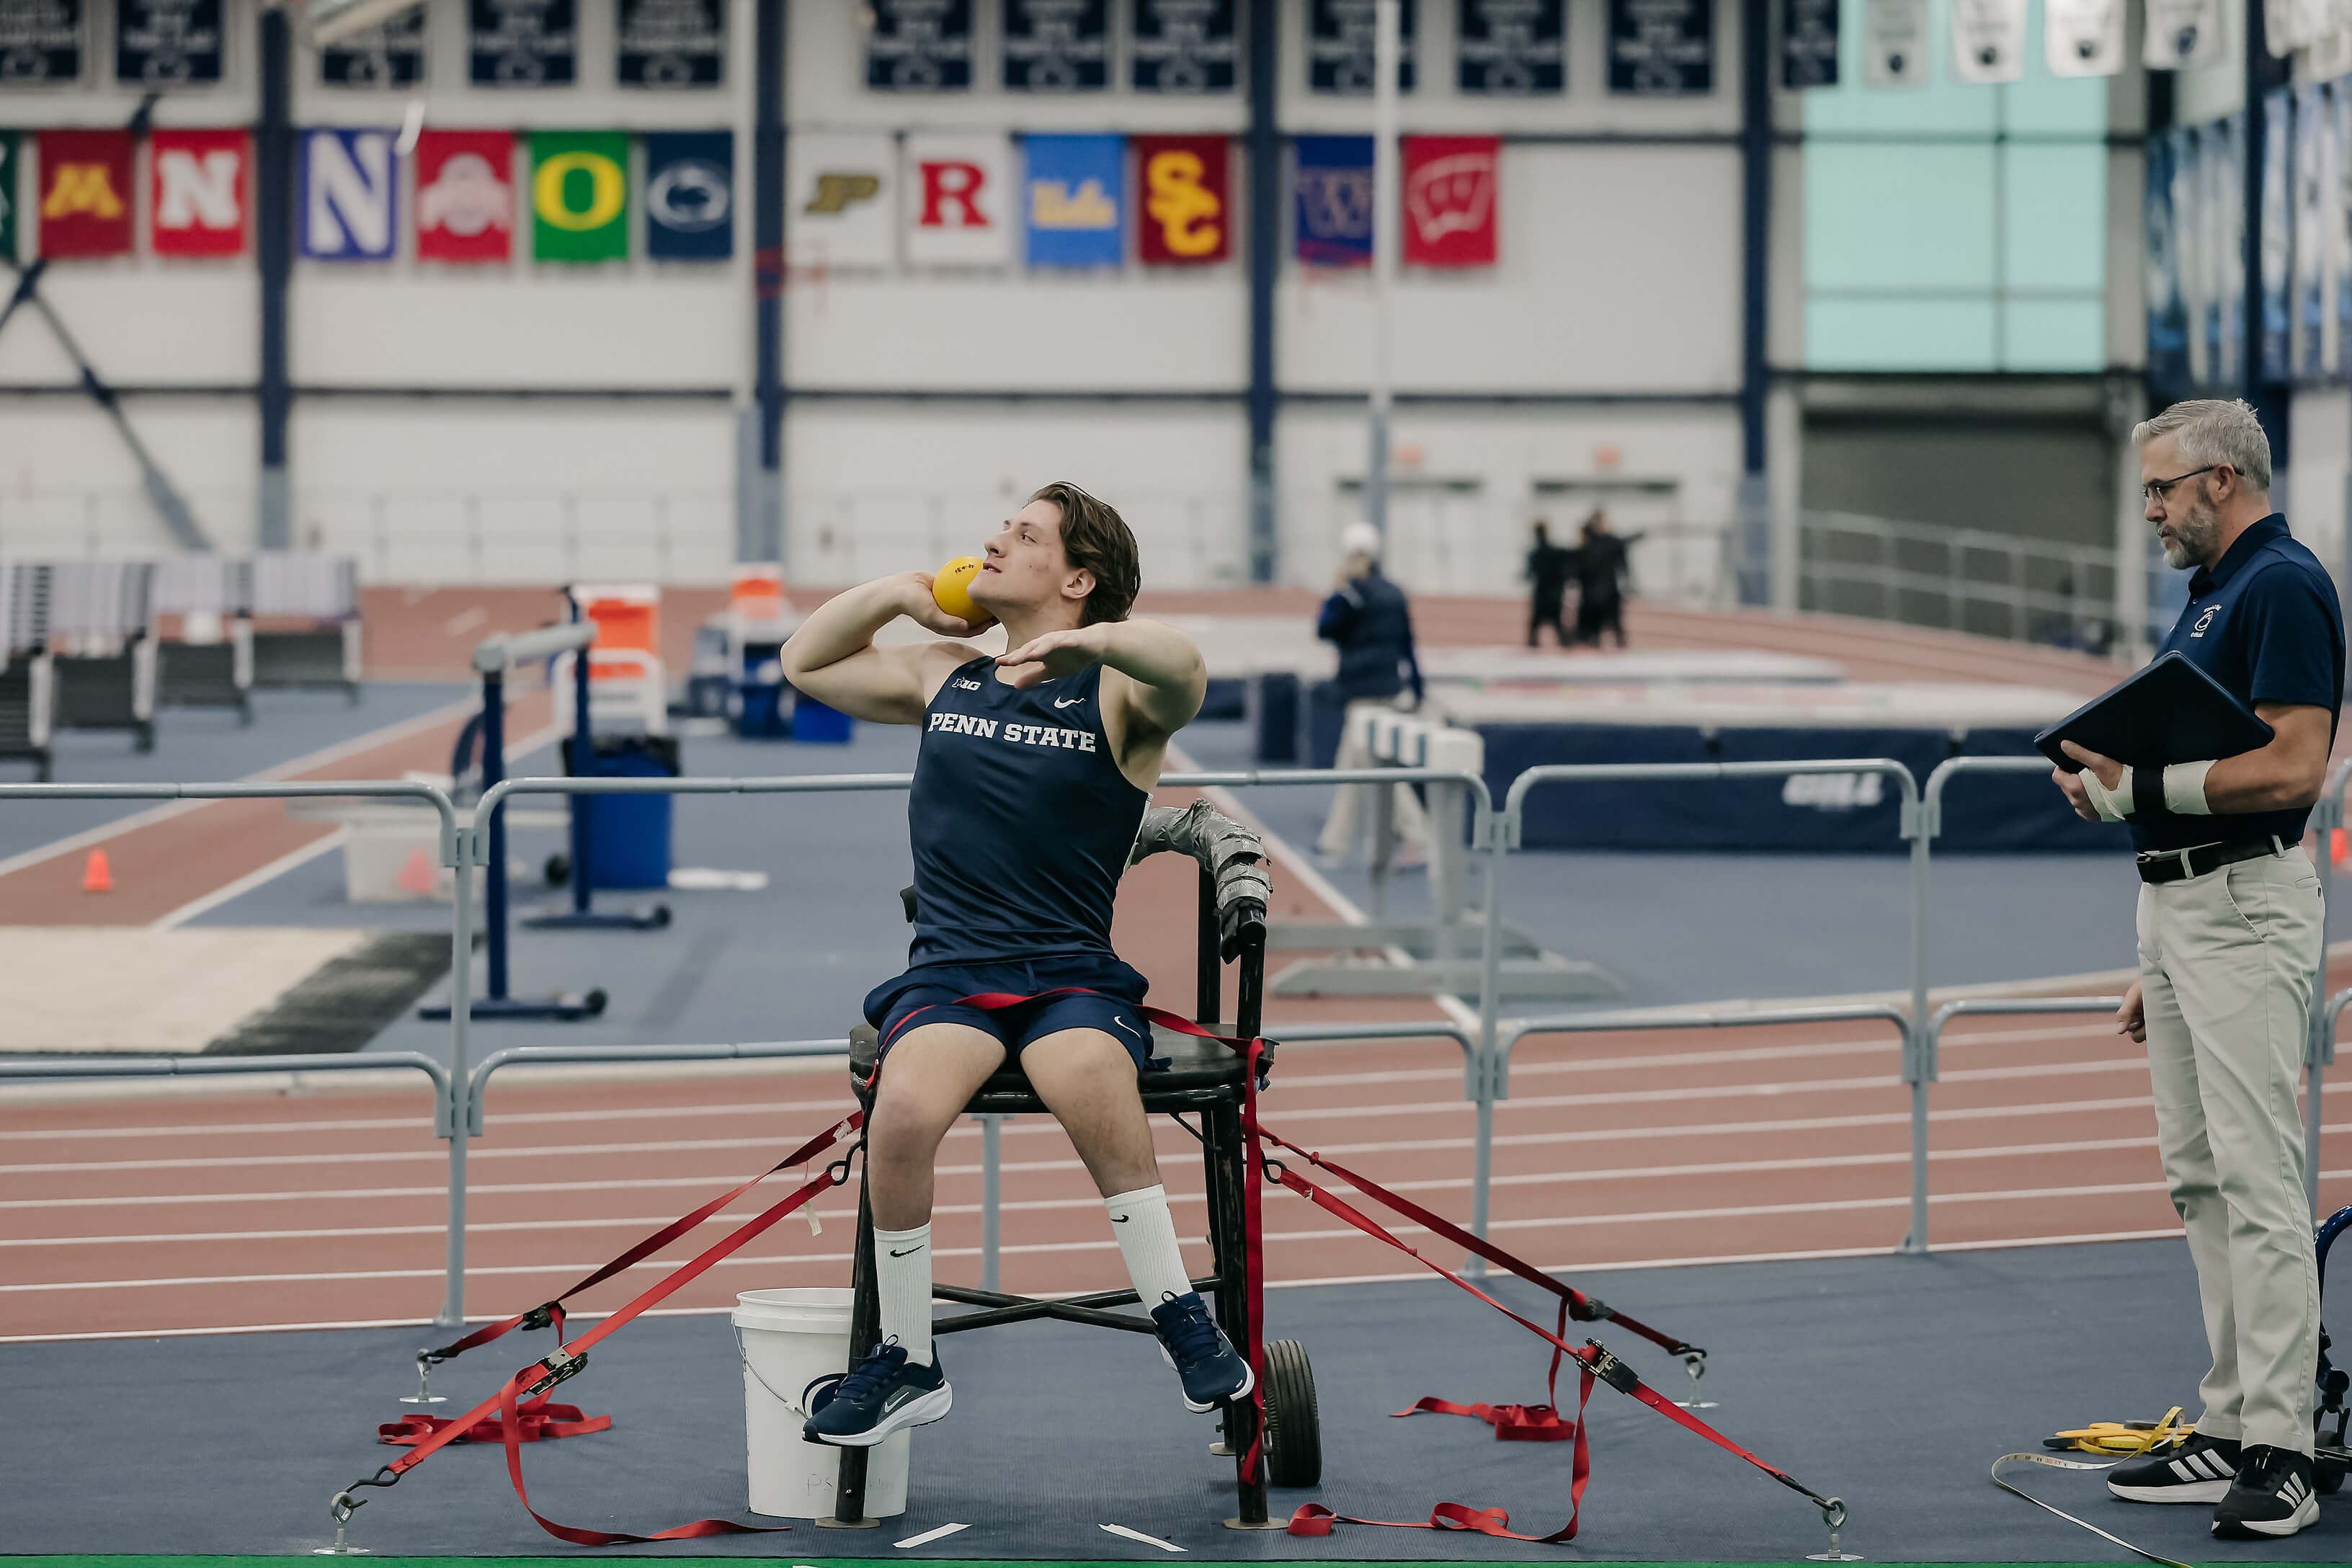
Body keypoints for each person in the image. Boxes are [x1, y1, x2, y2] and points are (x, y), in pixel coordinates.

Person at [777, 481, 1251, 1449]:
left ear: (1077, 579)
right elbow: (804, 661)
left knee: (1088, 1079)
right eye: (1001, 529)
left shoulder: (1118, 690)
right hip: (950, 972)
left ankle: (1176, 1314)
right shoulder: (944, 674)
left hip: (1070, 972)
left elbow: (1187, 665)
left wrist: (1096, 643)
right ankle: (907, 1359)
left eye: (1023, 536)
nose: (994, 542)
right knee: (902, 1109)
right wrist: (902, 592)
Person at [2051, 400, 2345, 1541]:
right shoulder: (2215, 596)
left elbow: (2295, 766)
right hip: (2186, 912)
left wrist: (2135, 793)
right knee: (2203, 1178)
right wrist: (2160, 944)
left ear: (2222, 479)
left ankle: (2285, 1447)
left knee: (2260, 1183)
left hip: (2240, 903)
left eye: (2164, 489)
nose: (2152, 511)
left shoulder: (2280, 584)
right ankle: (2233, 1420)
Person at [1314, 521, 1430, 862]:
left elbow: (1325, 629)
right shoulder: (1395, 593)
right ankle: (1334, 842)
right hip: (1391, 690)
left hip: (1364, 696)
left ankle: (1419, 835)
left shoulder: (1352, 596)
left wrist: (1336, 593)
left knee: (1372, 772)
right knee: (1352, 769)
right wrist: (1418, 688)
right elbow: (1409, 643)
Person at [1572, 511, 1644, 648]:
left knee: (1596, 633)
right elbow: (1623, 565)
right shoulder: (1605, 543)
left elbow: (1576, 571)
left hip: (1595, 594)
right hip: (1604, 593)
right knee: (1611, 630)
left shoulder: (1587, 544)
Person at [1524, 519, 1577, 648]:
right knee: (1558, 628)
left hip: (1541, 595)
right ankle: (1566, 652)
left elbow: (1529, 574)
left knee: (1534, 630)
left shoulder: (1534, 554)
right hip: (1555, 594)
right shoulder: (1557, 552)